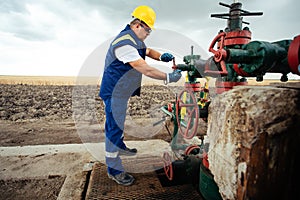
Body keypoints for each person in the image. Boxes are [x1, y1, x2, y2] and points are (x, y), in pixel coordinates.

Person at [99, 5, 182, 186]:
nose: (148, 34)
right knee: (114, 127)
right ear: (138, 25)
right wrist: (168, 77)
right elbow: (144, 67)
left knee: (117, 122)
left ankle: (120, 146)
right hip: (114, 92)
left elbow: (147, 51)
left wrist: (161, 57)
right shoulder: (124, 44)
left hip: (121, 91)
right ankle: (114, 169)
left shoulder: (134, 38)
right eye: (148, 30)